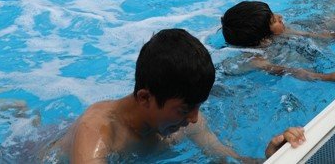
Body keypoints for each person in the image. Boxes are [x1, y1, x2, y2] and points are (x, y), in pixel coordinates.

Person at [53, 28, 305, 162]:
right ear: (144, 98)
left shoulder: (181, 122)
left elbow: (229, 160)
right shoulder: (98, 132)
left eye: (197, 107)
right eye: (184, 109)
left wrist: (273, 157)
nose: (194, 119)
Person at [221, 2, 335, 82]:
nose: (280, 16)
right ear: (264, 40)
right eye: (273, 20)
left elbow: (319, 35)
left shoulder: (281, 32)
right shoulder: (254, 61)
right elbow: (295, 72)